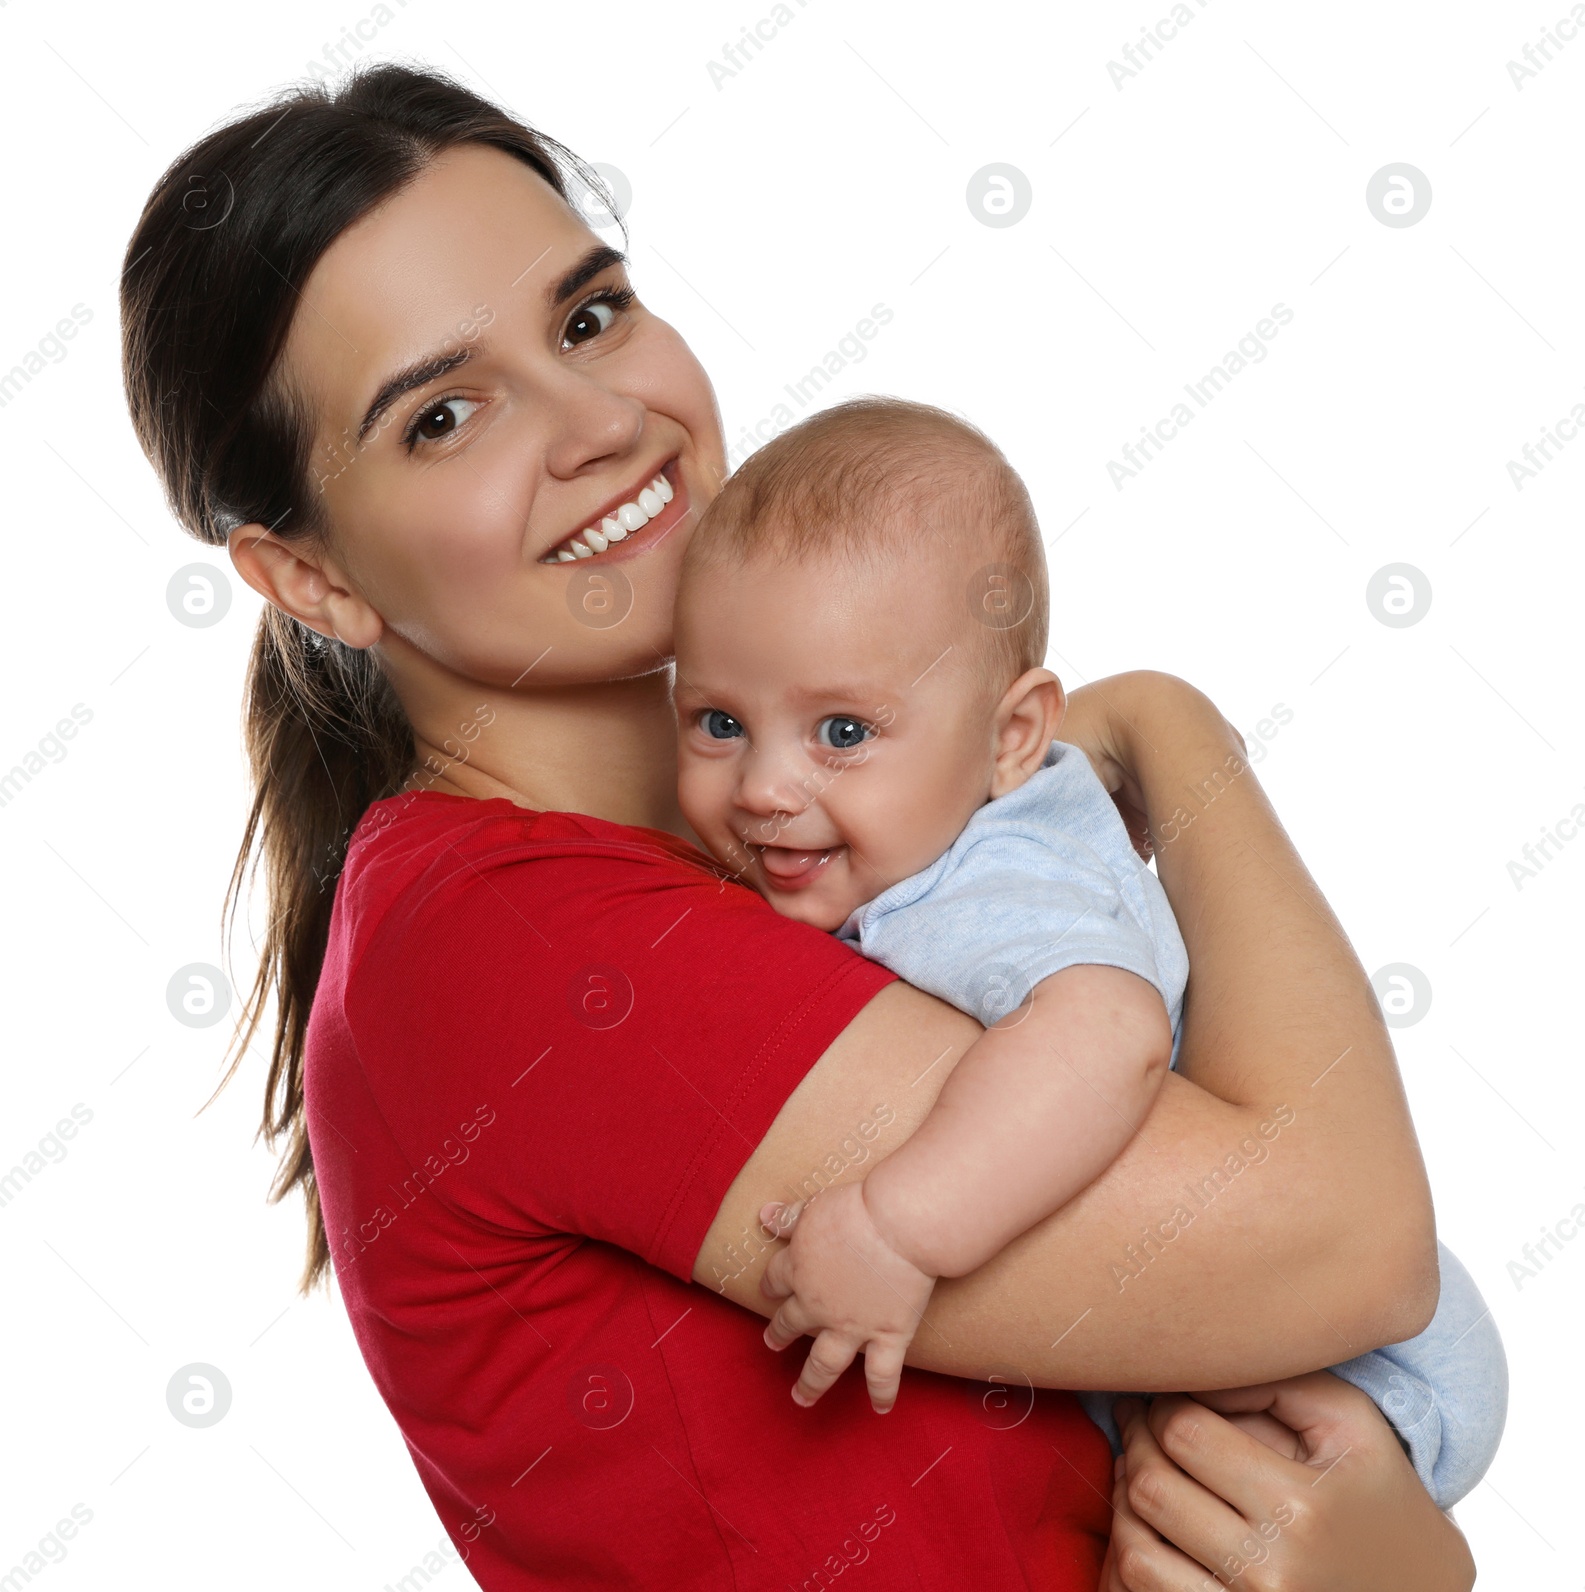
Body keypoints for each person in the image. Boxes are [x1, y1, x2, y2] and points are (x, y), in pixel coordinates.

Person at [118, 64, 1476, 1590]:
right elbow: (1345, 1245)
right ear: (313, 584)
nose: (599, 421)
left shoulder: (787, 860)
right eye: (443, 415)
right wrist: (1176, 731)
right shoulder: (514, 941)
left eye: (588, 318)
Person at [671, 392, 1507, 1508]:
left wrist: (895, 1225)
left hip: (1359, 1366)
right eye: (719, 722)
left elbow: (1104, 1032)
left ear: (1013, 735)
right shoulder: (939, 821)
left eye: (842, 733)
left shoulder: (976, 880)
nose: (766, 788)